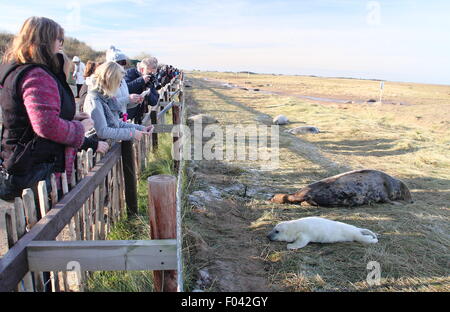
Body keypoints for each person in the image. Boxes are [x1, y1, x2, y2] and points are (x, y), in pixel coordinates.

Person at [83, 61, 153, 141]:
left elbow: (116, 123)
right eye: (118, 82)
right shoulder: (94, 100)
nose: (119, 86)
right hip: (97, 147)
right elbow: (102, 131)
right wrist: (131, 133)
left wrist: (141, 128)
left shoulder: (106, 96)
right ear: (110, 81)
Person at [105, 46, 142, 120]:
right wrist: (128, 99)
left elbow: (125, 105)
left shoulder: (122, 80)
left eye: (123, 62)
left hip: (122, 120)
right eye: (119, 62)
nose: (122, 65)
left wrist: (135, 101)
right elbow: (108, 105)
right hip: (111, 121)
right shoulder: (105, 82)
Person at [124, 57, 160, 123]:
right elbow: (125, 89)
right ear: (142, 69)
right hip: (126, 116)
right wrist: (141, 80)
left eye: (153, 73)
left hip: (139, 116)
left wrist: (148, 93)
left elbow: (154, 102)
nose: (151, 75)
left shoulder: (150, 79)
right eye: (149, 73)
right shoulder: (130, 73)